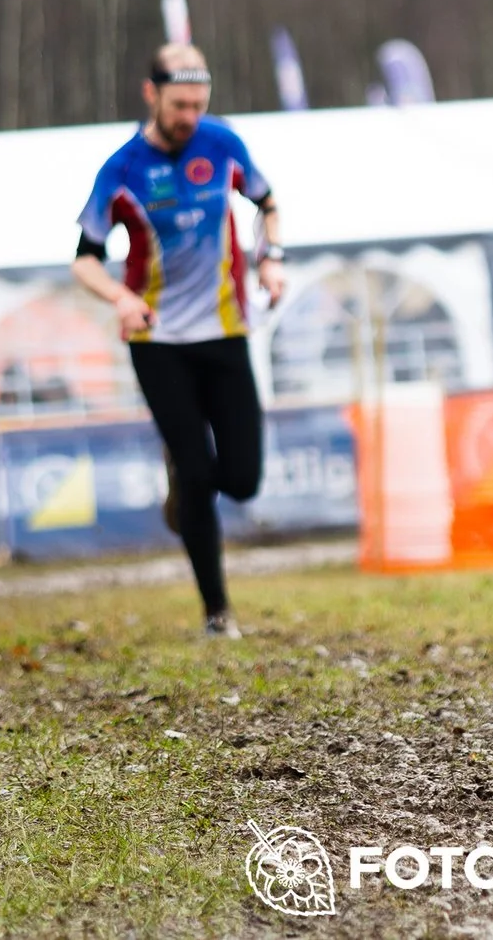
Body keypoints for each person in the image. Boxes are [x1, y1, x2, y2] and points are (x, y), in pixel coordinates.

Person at [69, 42, 287, 637]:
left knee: (241, 479)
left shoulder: (224, 146)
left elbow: (268, 205)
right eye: (180, 104)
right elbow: (84, 260)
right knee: (196, 473)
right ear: (152, 94)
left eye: (199, 104)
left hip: (225, 331)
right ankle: (217, 611)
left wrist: (272, 260)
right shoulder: (121, 170)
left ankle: (186, 483)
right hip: (157, 340)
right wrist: (120, 297)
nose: (190, 115)